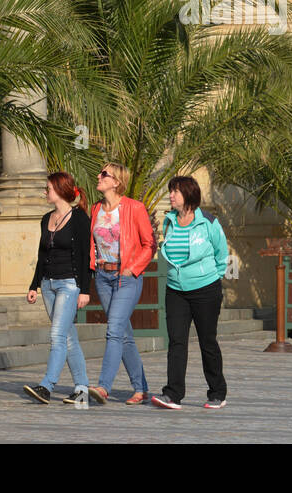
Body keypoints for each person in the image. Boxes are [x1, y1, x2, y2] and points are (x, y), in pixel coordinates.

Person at [152, 176, 230, 410]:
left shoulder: (208, 222)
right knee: (176, 342)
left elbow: (221, 252)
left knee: (207, 341)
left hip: (206, 290)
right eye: (170, 191)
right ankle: (173, 394)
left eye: (175, 191)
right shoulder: (169, 221)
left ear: (188, 194)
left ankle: (217, 393)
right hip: (175, 290)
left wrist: (211, 277)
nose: (171, 195)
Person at [85, 162, 155, 405]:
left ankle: (103, 387)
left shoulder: (134, 208)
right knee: (123, 335)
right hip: (103, 278)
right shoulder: (95, 209)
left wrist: (132, 269)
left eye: (104, 174)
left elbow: (149, 244)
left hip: (126, 278)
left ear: (116, 182)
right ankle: (141, 388)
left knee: (114, 331)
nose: (99, 176)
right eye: (100, 172)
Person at [23, 173, 92, 405]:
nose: (45, 192)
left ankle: (46, 386)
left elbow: (85, 256)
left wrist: (85, 289)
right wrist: (34, 285)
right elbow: (42, 255)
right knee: (68, 337)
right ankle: (82, 390)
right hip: (48, 284)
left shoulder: (80, 219)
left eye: (48, 188)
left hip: (69, 285)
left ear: (61, 190)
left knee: (57, 335)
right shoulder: (46, 219)